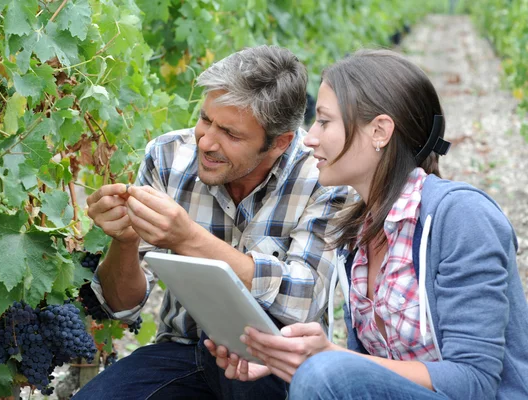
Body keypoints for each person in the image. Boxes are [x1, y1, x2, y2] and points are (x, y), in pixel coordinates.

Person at [205, 49, 528, 399]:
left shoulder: (462, 217)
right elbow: (371, 377)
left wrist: (330, 358)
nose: (309, 137)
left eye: (324, 122)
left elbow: (474, 381)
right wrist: (286, 358)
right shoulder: (357, 232)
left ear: (379, 131)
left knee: (325, 373)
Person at [73, 45, 349, 400]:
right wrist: (124, 242)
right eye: (205, 119)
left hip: (275, 363)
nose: (205, 141)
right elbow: (120, 305)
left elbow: (302, 299)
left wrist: (188, 238)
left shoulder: (323, 179)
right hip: (182, 351)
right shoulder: (168, 156)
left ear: (280, 142)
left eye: (231, 135)